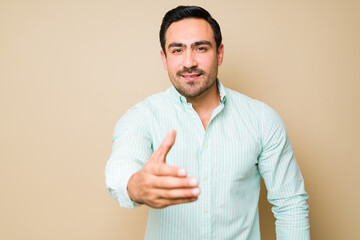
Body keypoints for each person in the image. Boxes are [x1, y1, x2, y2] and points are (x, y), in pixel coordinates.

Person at [105, 5, 310, 240]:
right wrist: (135, 186)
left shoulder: (262, 120)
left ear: (219, 53)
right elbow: (121, 165)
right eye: (177, 50)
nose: (189, 62)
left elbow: (290, 204)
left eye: (200, 48)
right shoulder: (142, 116)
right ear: (164, 58)